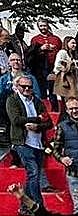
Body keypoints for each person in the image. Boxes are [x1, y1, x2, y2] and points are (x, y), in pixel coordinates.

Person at [7, 75, 52, 206]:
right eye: (24, 86)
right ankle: (39, 206)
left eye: (30, 87)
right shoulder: (12, 100)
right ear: (17, 87)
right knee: (33, 172)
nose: (27, 88)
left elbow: (48, 122)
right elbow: (16, 120)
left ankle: (25, 206)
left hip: (38, 143)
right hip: (22, 142)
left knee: (33, 175)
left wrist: (38, 126)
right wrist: (37, 119)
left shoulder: (37, 101)